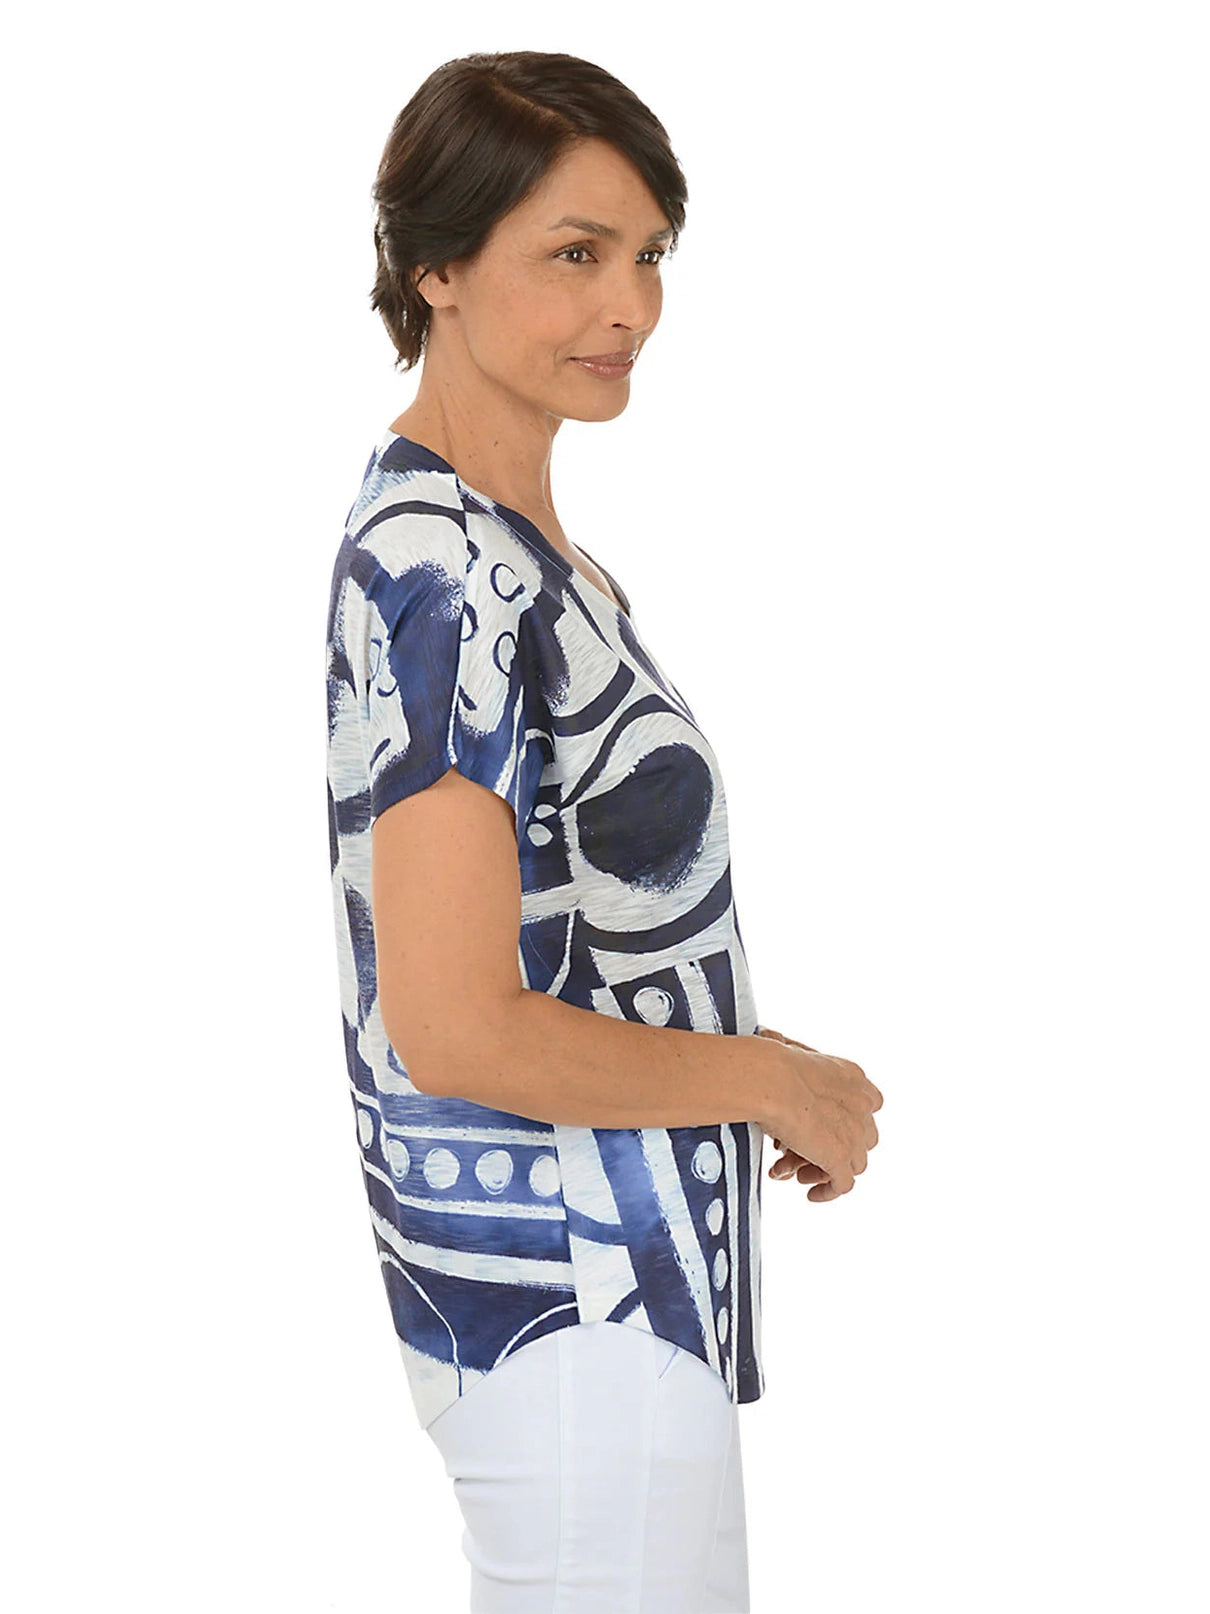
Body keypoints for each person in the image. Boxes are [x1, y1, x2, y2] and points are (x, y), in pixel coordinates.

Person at [325, 49, 883, 1613]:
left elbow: (568, 940)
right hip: (568, 1325)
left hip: (626, 1321)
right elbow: (453, 1024)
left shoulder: (519, 551)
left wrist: (751, 1069)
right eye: (574, 254)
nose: (626, 306)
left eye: (647, 255)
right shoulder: (446, 571)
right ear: (435, 266)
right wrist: (765, 1078)